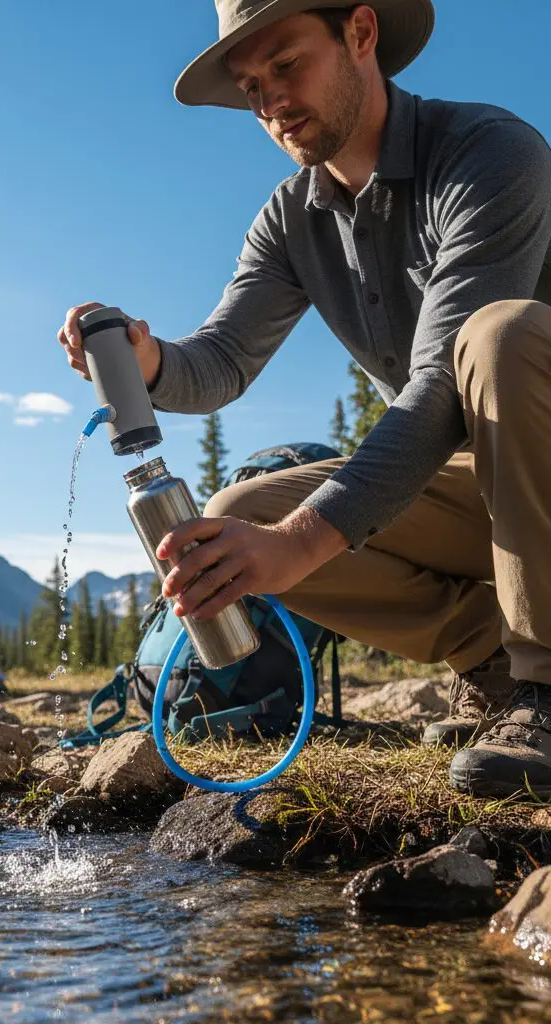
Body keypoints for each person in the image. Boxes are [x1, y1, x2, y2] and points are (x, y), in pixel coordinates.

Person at [57, 0, 551, 799]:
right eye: (252, 88)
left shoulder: (490, 154)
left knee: (500, 336)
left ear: (360, 34)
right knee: (236, 521)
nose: (271, 102)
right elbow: (219, 361)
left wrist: (298, 544)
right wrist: (148, 364)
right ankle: (495, 664)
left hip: (540, 459)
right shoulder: (293, 221)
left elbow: (437, 387)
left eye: (286, 66)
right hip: (479, 491)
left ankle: (546, 688)